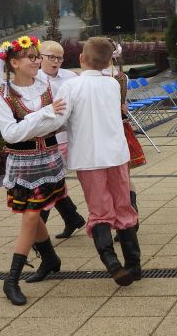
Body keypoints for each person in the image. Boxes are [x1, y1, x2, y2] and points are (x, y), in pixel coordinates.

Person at [54, 37, 141, 286]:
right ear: (107, 62)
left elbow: (59, 118)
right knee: (123, 205)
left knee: (100, 210)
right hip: (115, 155)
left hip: (88, 157)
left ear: (81, 58)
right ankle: (134, 264)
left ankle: (112, 262)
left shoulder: (71, 86)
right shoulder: (112, 84)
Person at [0, 36, 66, 305]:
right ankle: (14, 278)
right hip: (23, 164)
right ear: (14, 63)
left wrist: (34, 122)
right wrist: (43, 114)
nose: (37, 61)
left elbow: (58, 121)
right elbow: (11, 134)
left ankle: (47, 259)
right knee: (32, 214)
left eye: (37, 57)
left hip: (49, 159)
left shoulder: (46, 87)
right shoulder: (2, 96)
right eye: (31, 57)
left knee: (33, 213)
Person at [37, 40, 86, 238]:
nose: (56, 62)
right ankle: (72, 218)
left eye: (60, 58)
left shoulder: (70, 77)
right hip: (47, 137)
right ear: (40, 57)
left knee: (49, 182)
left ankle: (38, 232)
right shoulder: (34, 79)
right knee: (51, 182)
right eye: (51, 57)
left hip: (69, 136)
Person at [106, 43, 146, 242]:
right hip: (119, 126)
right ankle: (129, 216)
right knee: (122, 177)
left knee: (117, 178)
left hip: (111, 129)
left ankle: (127, 217)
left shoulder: (111, 78)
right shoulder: (121, 76)